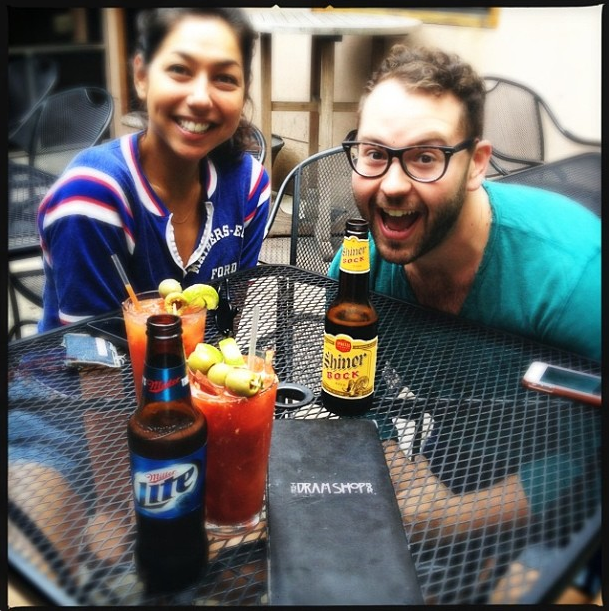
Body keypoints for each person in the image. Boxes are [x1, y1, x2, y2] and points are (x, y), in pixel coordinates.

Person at [330, 45, 601, 602]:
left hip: (577, 486)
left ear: (477, 163)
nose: (393, 185)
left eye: (426, 157)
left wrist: (456, 519)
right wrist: (399, 472)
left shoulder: (574, 275)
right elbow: (357, 391)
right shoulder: (358, 272)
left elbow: (593, 448)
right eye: (375, 153)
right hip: (464, 437)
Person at [37, 7, 270, 332]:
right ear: (142, 77)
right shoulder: (93, 196)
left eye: (224, 78)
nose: (201, 98)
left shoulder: (249, 186)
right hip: (74, 381)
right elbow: (92, 366)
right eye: (179, 70)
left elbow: (221, 326)